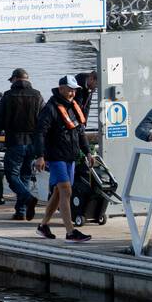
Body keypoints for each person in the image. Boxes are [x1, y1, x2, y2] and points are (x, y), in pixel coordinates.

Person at [33, 74, 95, 242]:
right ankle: (70, 232)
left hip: (71, 156)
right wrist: (40, 156)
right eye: (69, 90)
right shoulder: (50, 108)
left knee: (59, 193)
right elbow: (40, 133)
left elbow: (80, 132)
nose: (72, 93)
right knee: (66, 190)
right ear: (61, 89)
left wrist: (88, 152)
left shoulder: (74, 106)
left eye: (74, 90)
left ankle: (43, 226)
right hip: (56, 157)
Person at [0, 68, 44, 221]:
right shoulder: (37, 95)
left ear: (14, 79)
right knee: (25, 176)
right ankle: (20, 212)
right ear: (28, 79)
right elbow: (44, 120)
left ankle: (27, 199)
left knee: (12, 176)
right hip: (33, 143)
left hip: (15, 142)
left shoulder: (8, 96)